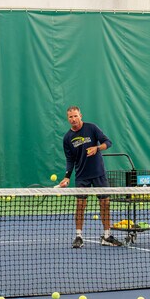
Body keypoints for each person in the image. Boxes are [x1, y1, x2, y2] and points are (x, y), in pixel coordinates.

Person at [59, 105, 122, 248]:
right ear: (67, 119)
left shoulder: (92, 128)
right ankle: (79, 236)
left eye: (75, 116)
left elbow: (108, 142)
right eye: (70, 117)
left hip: (98, 173)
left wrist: (97, 148)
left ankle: (107, 236)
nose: (73, 119)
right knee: (80, 206)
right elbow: (70, 160)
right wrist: (67, 176)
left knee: (105, 204)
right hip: (82, 176)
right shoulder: (67, 138)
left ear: (80, 115)